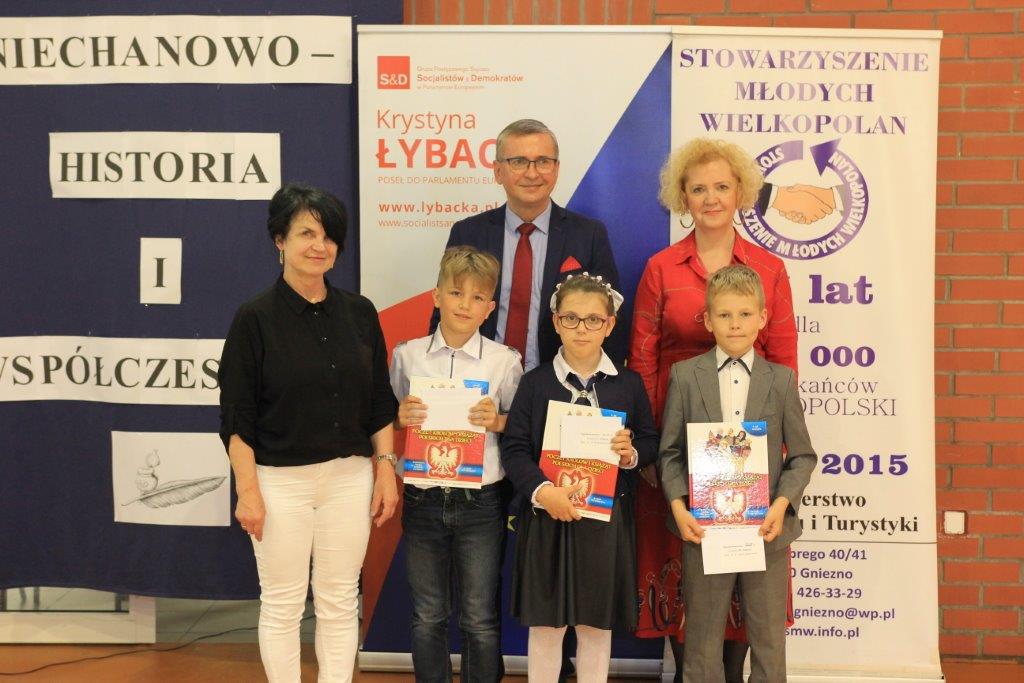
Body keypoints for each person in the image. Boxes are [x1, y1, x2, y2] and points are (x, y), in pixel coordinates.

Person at [629, 138, 799, 681]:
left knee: (749, 569)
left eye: (722, 186)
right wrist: (654, 450)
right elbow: (642, 360)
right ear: (682, 197)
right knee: (689, 565)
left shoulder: (769, 268)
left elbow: (784, 358)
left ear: (740, 191)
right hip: (679, 444)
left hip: (752, 454)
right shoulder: (661, 268)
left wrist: (776, 458)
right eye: (698, 188)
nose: (710, 198)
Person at [218, 182, 399, 683]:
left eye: (329, 236)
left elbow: (379, 401)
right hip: (279, 483)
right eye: (306, 234)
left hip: (349, 478)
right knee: (282, 603)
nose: (320, 246)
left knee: (340, 600)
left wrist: (386, 470)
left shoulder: (360, 313)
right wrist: (248, 491)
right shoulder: (254, 319)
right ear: (280, 240)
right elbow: (236, 417)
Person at [658, 264, 817, 682]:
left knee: (769, 643)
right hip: (704, 529)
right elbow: (669, 453)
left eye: (745, 314)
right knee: (701, 642)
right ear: (708, 320)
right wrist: (679, 507)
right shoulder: (685, 376)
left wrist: (780, 505)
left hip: (766, 529)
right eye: (725, 315)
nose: (735, 324)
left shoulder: (781, 380)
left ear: (762, 318)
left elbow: (802, 456)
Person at [500, 273, 659, 682]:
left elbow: (650, 440)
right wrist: (543, 491)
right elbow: (514, 449)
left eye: (593, 320)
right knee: (546, 626)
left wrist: (630, 453)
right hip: (546, 518)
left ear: (609, 324)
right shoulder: (535, 383)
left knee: (595, 626)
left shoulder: (628, 384)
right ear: (556, 322)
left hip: (605, 522)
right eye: (571, 318)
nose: (581, 329)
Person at [389, 246, 523, 682]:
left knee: (479, 616)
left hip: (481, 501)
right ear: (436, 296)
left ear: (490, 308)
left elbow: (521, 426)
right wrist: (400, 417)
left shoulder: (505, 361)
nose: (465, 304)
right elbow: (390, 414)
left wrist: (497, 420)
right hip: (422, 497)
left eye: (477, 297)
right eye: (455, 293)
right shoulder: (407, 355)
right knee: (427, 614)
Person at [432, 118, 623, 370]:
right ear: (498, 171)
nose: (532, 173)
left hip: (558, 381)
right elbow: (445, 315)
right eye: (519, 162)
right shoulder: (468, 233)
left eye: (543, 161)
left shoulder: (588, 235)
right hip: (479, 377)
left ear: (556, 169)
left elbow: (609, 318)